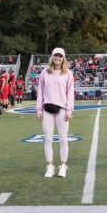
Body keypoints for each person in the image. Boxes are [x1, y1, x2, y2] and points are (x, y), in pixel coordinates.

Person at [36, 47, 75, 178]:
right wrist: (38, 109)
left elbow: (70, 93)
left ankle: (63, 166)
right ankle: (50, 166)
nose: (57, 58)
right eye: (55, 55)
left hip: (62, 110)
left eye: (60, 56)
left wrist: (69, 110)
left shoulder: (68, 73)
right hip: (47, 109)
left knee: (63, 139)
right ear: (52, 57)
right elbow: (40, 91)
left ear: (63, 58)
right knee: (48, 139)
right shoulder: (44, 73)